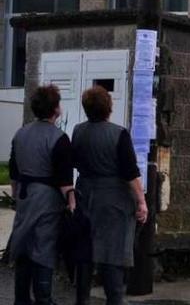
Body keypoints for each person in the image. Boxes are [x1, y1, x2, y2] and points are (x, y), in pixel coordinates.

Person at [72, 86, 147, 305]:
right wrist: (141, 201)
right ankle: (114, 300)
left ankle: (82, 300)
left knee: (85, 255)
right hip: (114, 201)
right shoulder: (119, 134)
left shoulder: (78, 131)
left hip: (85, 194)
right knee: (113, 255)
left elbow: (75, 161)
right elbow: (130, 172)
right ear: (108, 107)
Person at [6, 84, 75, 305]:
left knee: (23, 247)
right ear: (56, 109)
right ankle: (44, 298)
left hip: (25, 197)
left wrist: (18, 198)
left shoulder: (21, 134)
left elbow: (14, 173)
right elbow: (65, 182)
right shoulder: (59, 138)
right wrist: (72, 204)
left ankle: (21, 299)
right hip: (48, 200)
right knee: (43, 249)